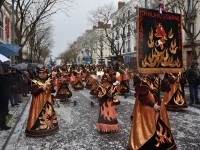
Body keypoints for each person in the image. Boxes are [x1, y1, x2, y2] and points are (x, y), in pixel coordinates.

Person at [127, 73, 177, 150]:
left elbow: (167, 89)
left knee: (160, 126)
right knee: (148, 128)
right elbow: (142, 98)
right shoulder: (142, 81)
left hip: (159, 108)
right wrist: (153, 106)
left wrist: (162, 79)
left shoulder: (158, 79)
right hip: (147, 109)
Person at [25, 66, 59, 136]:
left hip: (47, 100)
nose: (42, 75)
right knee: (37, 115)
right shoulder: (34, 81)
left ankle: (48, 129)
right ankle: (37, 129)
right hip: (38, 102)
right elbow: (33, 91)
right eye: (40, 73)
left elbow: (52, 90)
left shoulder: (48, 81)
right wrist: (41, 89)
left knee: (48, 115)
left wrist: (53, 88)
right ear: (38, 74)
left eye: (43, 73)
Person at [0, 65, 15, 130]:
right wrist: (11, 74)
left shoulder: (3, 77)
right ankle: (3, 125)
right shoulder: (2, 77)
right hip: (3, 97)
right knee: (3, 111)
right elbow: (11, 80)